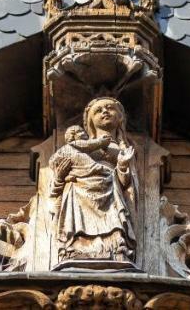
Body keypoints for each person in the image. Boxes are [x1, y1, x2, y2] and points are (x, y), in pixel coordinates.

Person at [48, 97, 137, 265]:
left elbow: (128, 185)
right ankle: (76, 248)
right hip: (78, 190)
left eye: (110, 108)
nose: (105, 111)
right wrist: (60, 177)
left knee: (114, 227)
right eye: (98, 110)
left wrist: (123, 166)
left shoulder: (124, 148)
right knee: (78, 228)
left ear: (120, 117)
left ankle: (114, 248)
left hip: (111, 189)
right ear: (89, 121)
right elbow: (57, 178)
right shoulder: (78, 146)